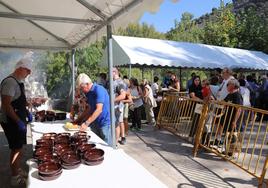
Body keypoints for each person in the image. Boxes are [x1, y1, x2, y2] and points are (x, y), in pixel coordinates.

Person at [0, 52, 33, 186]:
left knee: (19, 147)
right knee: (16, 148)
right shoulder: (9, 82)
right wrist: (19, 121)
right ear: (20, 68)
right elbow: (7, 105)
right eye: (28, 70)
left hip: (18, 118)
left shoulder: (18, 82)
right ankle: (14, 177)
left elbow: (18, 101)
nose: (29, 74)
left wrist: (26, 109)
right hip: (11, 120)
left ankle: (17, 170)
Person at [74, 73, 111, 145]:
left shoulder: (99, 89)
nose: (82, 90)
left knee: (105, 146)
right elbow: (89, 109)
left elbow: (99, 109)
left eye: (82, 88)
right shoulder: (88, 92)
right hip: (95, 123)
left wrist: (86, 123)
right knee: (95, 145)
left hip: (105, 124)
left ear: (87, 84)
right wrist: (78, 120)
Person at [113, 68, 127, 145]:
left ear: (114, 72)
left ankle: (115, 143)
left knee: (116, 124)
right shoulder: (111, 81)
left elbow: (123, 96)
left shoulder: (120, 83)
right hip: (112, 107)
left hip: (116, 107)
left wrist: (112, 101)